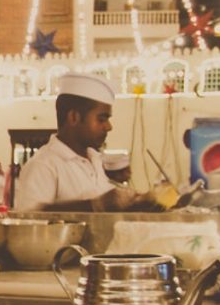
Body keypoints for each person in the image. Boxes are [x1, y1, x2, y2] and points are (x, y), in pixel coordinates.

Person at [14, 73, 155, 212]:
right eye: (101, 119)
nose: (108, 127)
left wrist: (144, 201)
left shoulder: (94, 159)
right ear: (74, 117)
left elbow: (108, 206)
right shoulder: (44, 165)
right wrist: (95, 205)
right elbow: (29, 217)